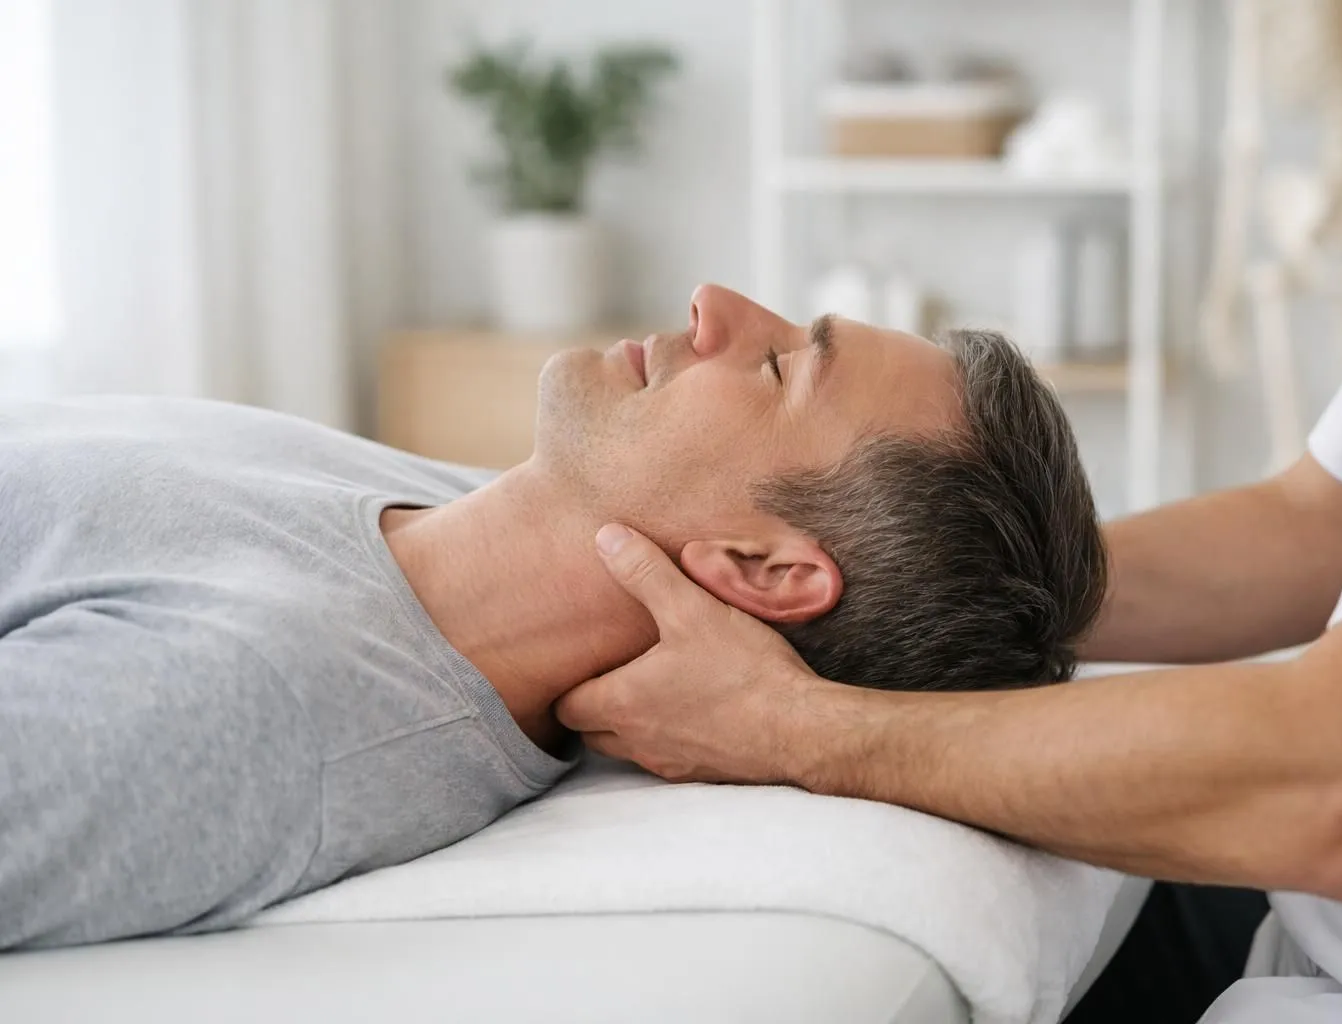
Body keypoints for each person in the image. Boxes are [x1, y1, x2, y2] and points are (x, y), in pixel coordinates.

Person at [555, 47, 1342, 1024]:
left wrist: (788, 727)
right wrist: (915, 598)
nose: (707, 301)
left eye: (780, 368)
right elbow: (1336, 518)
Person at [0, 286, 1105, 951]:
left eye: (776, 366)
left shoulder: (253, 706)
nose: (713, 304)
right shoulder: (444, 500)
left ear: (763, 570)